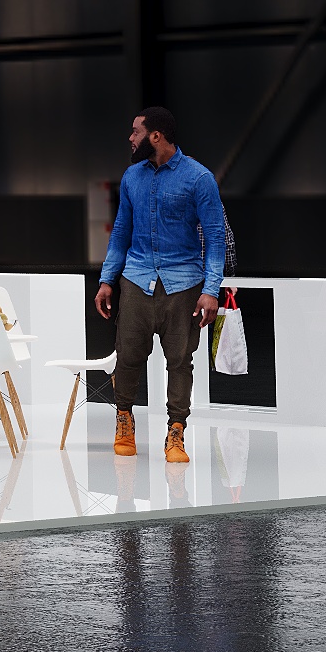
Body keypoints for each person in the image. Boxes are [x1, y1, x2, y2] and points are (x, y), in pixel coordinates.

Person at [94, 105, 228, 465]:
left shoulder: (199, 178)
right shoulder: (131, 177)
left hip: (183, 283)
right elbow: (121, 231)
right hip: (137, 279)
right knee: (127, 356)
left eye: (136, 131)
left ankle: (176, 431)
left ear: (155, 136)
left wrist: (211, 290)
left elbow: (215, 238)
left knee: (180, 361)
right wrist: (107, 279)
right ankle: (124, 420)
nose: (130, 138)